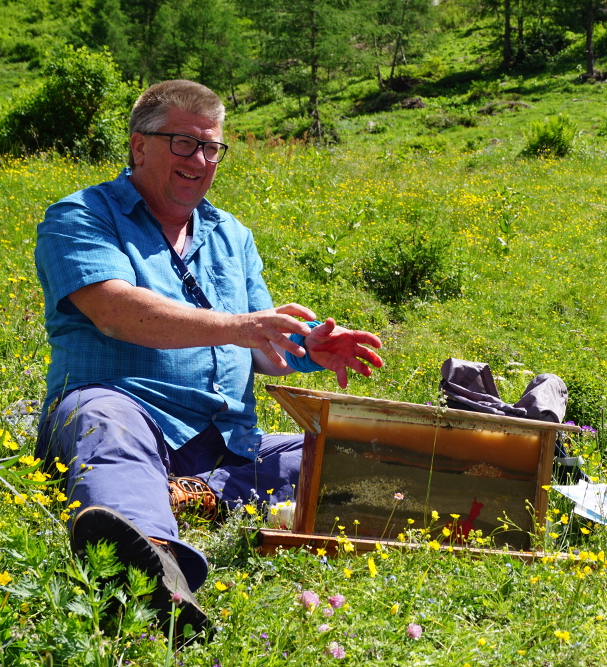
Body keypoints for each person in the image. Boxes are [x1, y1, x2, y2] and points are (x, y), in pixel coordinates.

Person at [33, 80, 382, 632]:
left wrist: (303, 347)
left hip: (226, 442)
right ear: (138, 145)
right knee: (104, 422)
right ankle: (150, 568)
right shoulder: (80, 217)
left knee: (337, 450)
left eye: (211, 147)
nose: (200, 159)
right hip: (125, 408)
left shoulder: (230, 235)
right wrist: (246, 327)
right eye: (183, 142)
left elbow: (263, 350)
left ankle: (191, 495)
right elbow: (116, 312)